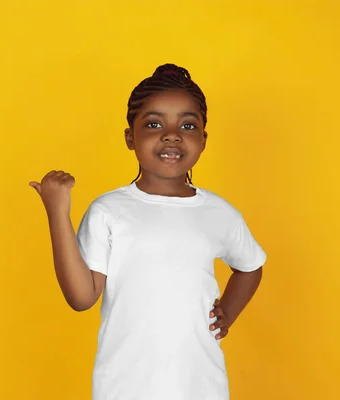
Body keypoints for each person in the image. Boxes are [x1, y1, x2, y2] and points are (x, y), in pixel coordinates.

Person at [29, 64, 266, 400]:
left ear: (203, 139)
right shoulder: (109, 211)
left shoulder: (218, 212)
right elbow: (81, 298)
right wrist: (57, 211)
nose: (172, 135)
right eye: (154, 124)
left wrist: (227, 312)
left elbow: (250, 265)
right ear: (130, 137)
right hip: (124, 387)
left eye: (187, 125)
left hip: (201, 386)